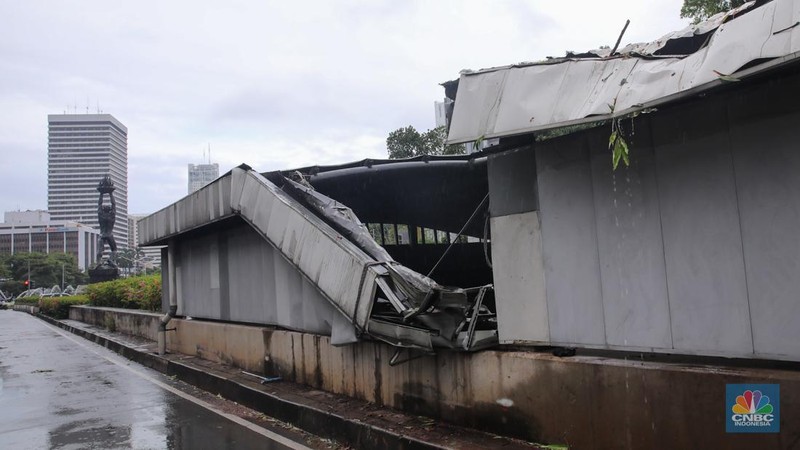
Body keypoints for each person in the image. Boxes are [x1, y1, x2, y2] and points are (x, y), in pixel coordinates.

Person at [96, 178, 118, 265]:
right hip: (109, 234)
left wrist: (101, 194)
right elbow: (114, 204)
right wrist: (111, 193)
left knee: (100, 251)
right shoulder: (112, 215)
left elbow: (99, 204)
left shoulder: (101, 216)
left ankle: (98, 263)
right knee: (114, 249)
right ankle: (111, 260)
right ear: (109, 210)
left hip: (102, 234)